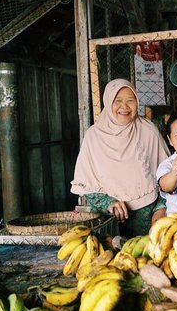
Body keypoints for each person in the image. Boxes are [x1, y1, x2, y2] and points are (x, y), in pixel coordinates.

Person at [71, 79, 170, 238]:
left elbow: (168, 175)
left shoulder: (148, 131)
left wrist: (161, 208)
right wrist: (108, 203)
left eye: (131, 101)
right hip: (107, 218)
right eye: (117, 101)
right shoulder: (93, 136)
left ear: (137, 103)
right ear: (108, 102)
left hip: (148, 217)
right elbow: (85, 184)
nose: (124, 106)